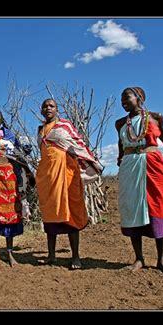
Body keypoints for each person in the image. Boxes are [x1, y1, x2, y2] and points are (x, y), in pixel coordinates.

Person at [35, 98, 102, 270]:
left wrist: (92, 162)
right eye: (45, 106)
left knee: (71, 211)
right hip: (47, 177)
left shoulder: (65, 125)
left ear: (57, 110)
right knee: (50, 214)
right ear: (41, 110)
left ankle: (76, 257)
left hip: (66, 173)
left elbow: (77, 144)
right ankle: (51, 255)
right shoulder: (40, 130)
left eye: (51, 106)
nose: (48, 108)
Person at [115, 87, 163, 275]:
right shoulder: (120, 123)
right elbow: (120, 142)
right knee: (132, 207)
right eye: (121, 99)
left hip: (152, 164)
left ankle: (161, 260)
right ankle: (139, 258)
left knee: (158, 206)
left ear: (139, 98)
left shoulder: (156, 117)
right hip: (130, 166)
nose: (123, 101)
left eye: (127, 97)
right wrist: (119, 157)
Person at [0, 110, 32, 267]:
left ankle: (9, 253)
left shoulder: (9, 137)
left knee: (9, 213)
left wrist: (27, 175)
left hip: (7, 178)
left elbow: (20, 155)